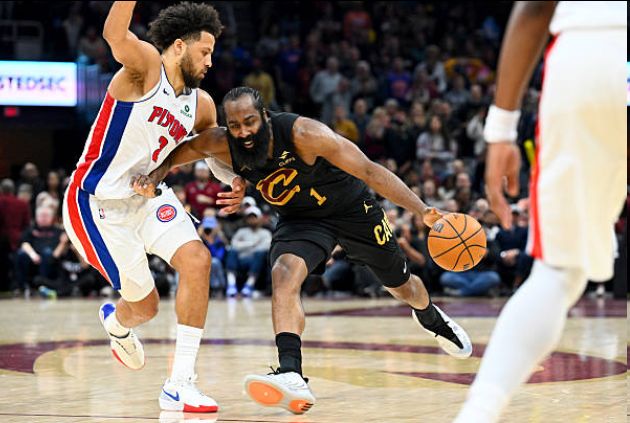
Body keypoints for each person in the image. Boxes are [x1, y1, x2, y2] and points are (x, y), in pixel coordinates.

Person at [134, 86, 473, 415]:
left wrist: (422, 210)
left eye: (250, 122)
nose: (243, 132)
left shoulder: (305, 134)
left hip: (351, 210)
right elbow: (183, 151)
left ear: (265, 116)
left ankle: (429, 316)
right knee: (283, 275)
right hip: (301, 221)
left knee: (404, 287)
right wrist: (156, 176)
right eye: (235, 125)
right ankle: (291, 372)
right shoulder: (222, 143)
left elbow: (370, 170)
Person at [60, 1, 245, 413]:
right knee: (145, 307)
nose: (210, 61)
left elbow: (212, 153)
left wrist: (233, 179)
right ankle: (116, 323)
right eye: (204, 51)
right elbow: (114, 35)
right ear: (179, 46)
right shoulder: (146, 67)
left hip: (148, 197)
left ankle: (180, 383)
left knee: (198, 260)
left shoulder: (201, 104)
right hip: (97, 204)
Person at [455, 2, 626, 421]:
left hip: (589, 54)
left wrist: (500, 130)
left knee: (558, 275)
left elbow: (534, 8)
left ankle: (478, 414)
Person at [225, 206, 272, 298]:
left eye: (254, 217)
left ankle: (249, 285)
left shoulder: (265, 233)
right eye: (249, 217)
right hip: (241, 259)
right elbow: (234, 244)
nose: (252, 219)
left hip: (256, 260)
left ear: (259, 218)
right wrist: (251, 244)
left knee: (260, 253)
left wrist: (243, 245)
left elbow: (266, 247)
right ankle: (231, 284)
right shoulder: (241, 231)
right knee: (232, 251)